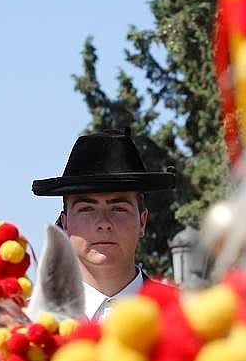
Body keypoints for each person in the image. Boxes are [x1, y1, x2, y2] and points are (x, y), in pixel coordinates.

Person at [32, 130, 176, 321]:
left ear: (142, 221)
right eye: (87, 209)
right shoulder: (34, 323)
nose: (103, 223)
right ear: (65, 224)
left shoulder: (182, 315)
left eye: (118, 209)